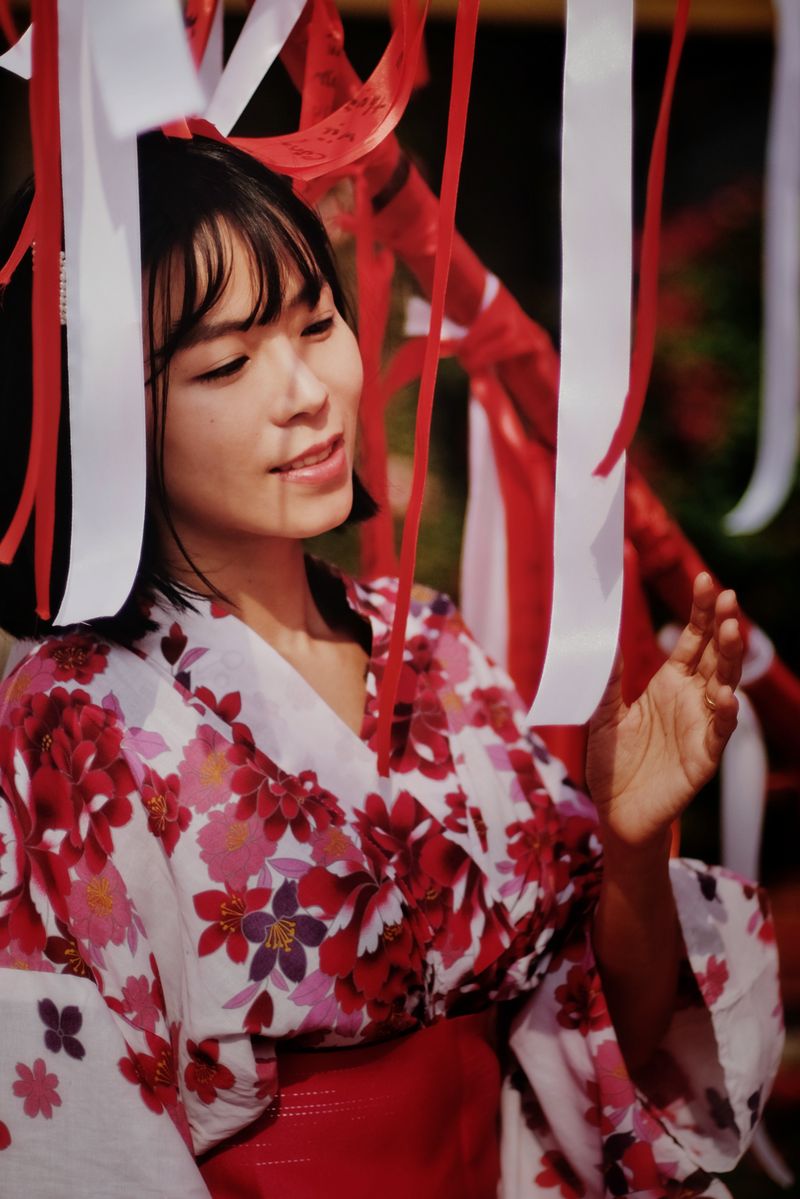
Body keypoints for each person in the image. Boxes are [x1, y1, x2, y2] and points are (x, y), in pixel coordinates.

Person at [0, 133, 782, 1199]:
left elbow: (601, 1038)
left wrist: (631, 841)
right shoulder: (71, 717)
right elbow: (81, 1134)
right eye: (225, 362)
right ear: (101, 419)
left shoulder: (432, 644)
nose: (307, 390)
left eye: (315, 322)